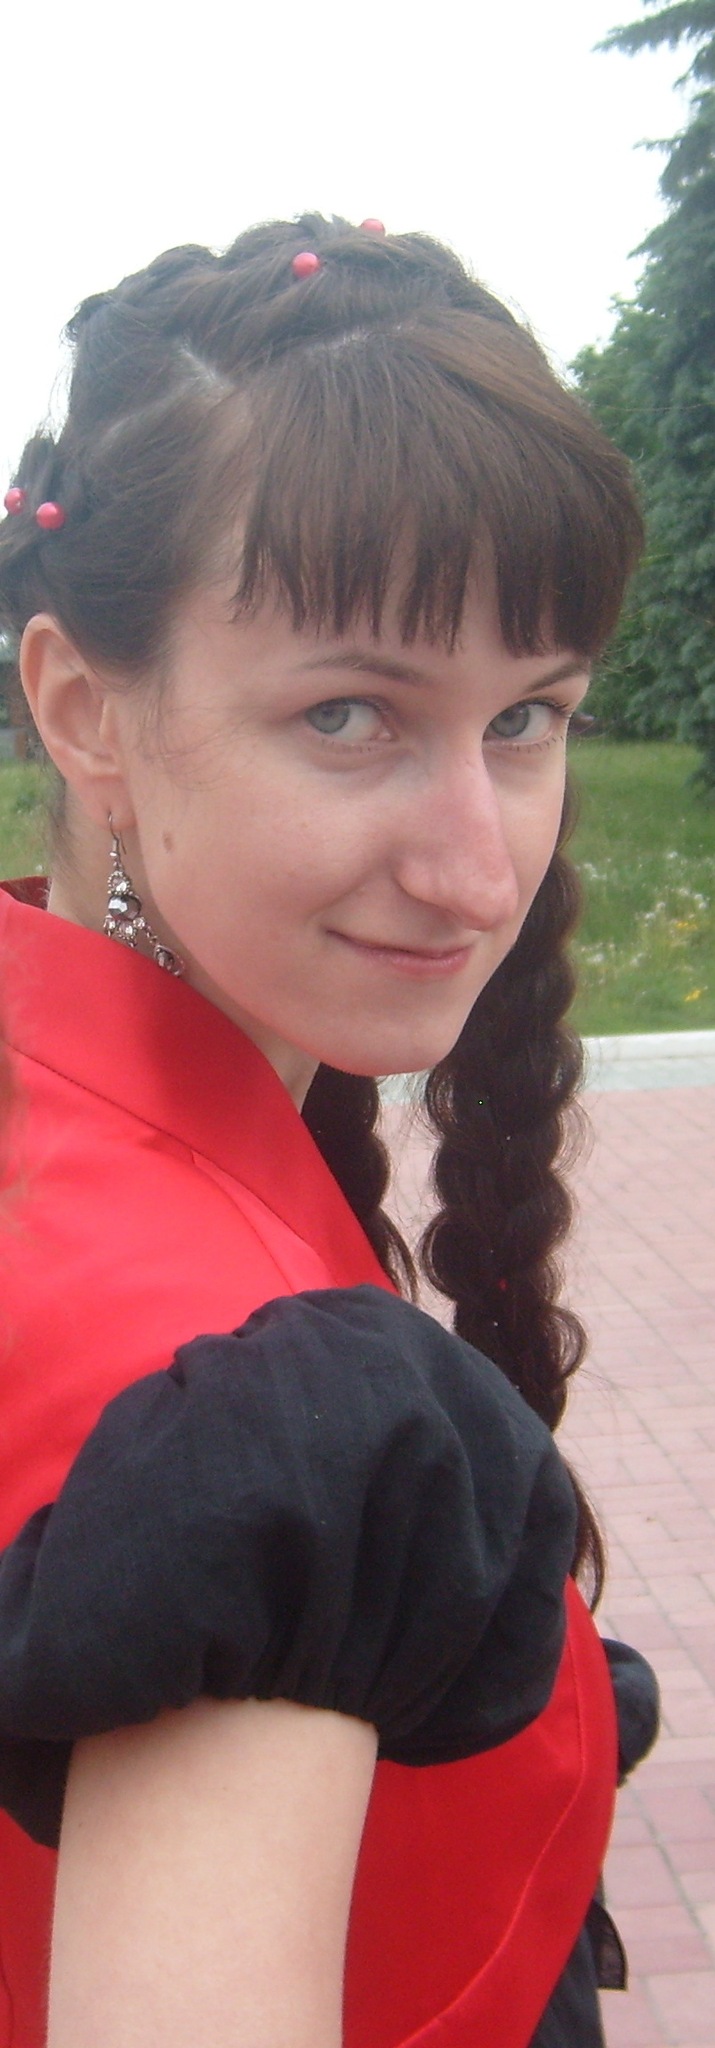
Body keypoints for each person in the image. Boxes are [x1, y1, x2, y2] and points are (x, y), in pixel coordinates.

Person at [0, 214, 657, 2048]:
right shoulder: (257, 1432)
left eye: (527, 717)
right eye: (352, 713)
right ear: (85, 708)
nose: (478, 869)